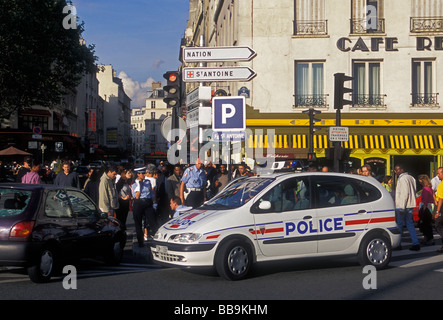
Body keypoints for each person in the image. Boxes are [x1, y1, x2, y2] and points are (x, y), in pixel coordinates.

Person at [394, 164, 420, 251]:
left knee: (400, 225)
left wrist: (401, 207)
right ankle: (415, 242)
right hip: (410, 204)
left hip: (403, 205)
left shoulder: (402, 179)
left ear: (401, 170)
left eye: (397, 170)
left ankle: (398, 243)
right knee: (410, 224)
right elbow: (413, 190)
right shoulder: (411, 178)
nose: (395, 172)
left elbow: (404, 194)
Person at [131, 168, 157, 246]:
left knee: (153, 221)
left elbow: (151, 193)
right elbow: (137, 196)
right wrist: (139, 184)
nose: (144, 175)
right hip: (139, 203)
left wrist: (154, 202)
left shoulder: (148, 182)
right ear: (138, 174)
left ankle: (157, 239)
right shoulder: (134, 184)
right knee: (138, 223)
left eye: (144, 173)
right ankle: (140, 242)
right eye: (142, 174)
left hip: (148, 202)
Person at [417, 174, 435, 245]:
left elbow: (425, 200)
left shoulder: (425, 189)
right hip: (430, 207)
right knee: (428, 224)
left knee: (425, 224)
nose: (419, 182)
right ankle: (429, 238)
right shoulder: (430, 188)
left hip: (426, 207)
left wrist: (423, 209)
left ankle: (428, 238)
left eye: (420, 181)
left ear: (422, 180)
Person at [433, 167, 443, 253]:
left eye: (439, 173)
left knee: (438, 224)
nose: (437, 175)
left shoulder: (441, 185)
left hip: (442, 208)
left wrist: (437, 211)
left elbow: (440, 199)